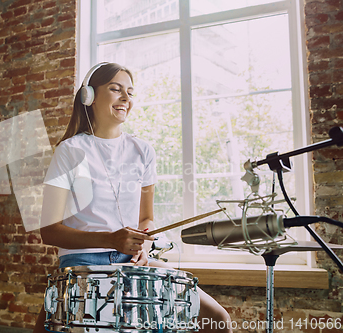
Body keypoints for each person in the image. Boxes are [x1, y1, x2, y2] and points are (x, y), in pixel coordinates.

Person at [33, 62, 232, 333]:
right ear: (88, 97)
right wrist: (111, 239)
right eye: (116, 89)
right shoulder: (69, 151)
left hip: (130, 262)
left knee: (217, 320)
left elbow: (146, 218)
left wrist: (143, 244)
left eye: (130, 92)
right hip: (83, 263)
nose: (126, 98)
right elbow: (49, 231)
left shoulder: (143, 151)